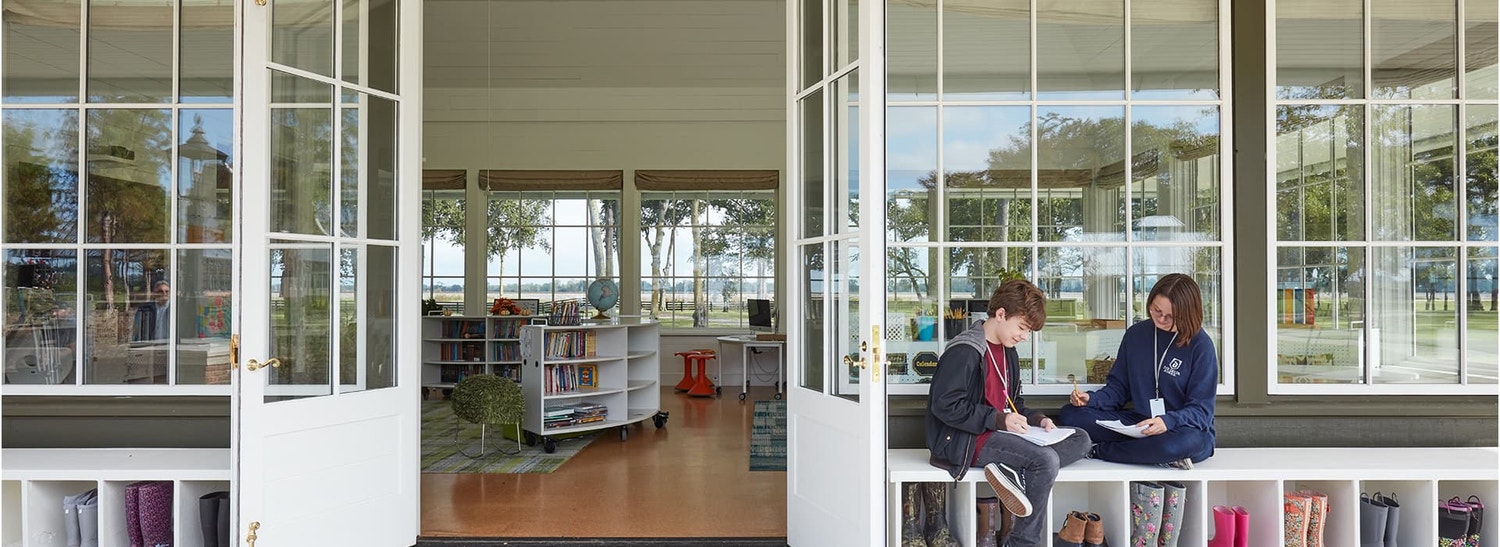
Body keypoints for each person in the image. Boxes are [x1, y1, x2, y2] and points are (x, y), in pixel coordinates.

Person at [925, 279, 1092, 547]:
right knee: (1045, 461)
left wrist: (1038, 420)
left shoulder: (1007, 352)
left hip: (998, 433)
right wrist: (998, 419)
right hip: (965, 439)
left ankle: (1010, 472)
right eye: (1023, 327)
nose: (1025, 336)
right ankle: (1021, 542)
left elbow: (1014, 404)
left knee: (1081, 438)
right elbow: (945, 406)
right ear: (1001, 314)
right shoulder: (965, 351)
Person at [1058, 272, 1217, 469]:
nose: (1160, 319)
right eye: (1156, 310)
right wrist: (1091, 399)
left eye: (1170, 317)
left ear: (1187, 314)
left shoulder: (1201, 346)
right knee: (1071, 415)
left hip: (1180, 429)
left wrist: (1167, 421)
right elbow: (1119, 389)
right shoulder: (1136, 335)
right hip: (1140, 423)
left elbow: (1201, 412)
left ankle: (1099, 450)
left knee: (1179, 444)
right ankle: (1149, 453)